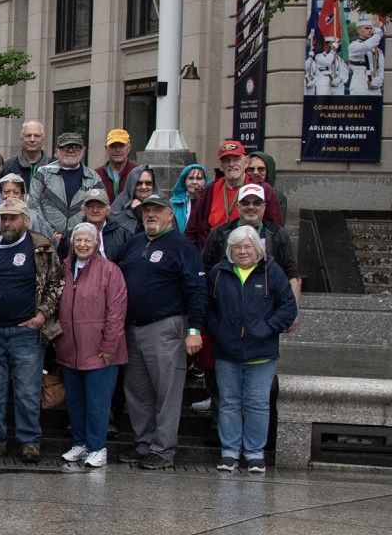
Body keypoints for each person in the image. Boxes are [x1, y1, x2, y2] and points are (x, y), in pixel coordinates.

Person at [115, 191, 206, 469]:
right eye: (146, 211)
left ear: (170, 215)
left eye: (157, 211)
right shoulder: (134, 243)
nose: (151, 215)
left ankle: (164, 450)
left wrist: (194, 330)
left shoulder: (182, 246)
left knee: (167, 392)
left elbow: (197, 289)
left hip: (166, 327)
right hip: (133, 329)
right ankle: (144, 445)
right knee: (137, 392)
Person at [0, 198, 62, 463]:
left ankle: (29, 441)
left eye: (13, 217)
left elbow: (56, 282)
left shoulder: (41, 246)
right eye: (4, 217)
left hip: (27, 332)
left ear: (25, 220)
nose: (8, 222)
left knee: (27, 390)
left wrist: (41, 316)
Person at [207, 226, 297, 474]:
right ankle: (229, 452)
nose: (242, 251)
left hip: (262, 353)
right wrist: (219, 330)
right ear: (230, 250)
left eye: (247, 246)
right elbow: (207, 308)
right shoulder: (218, 272)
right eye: (237, 247)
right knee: (229, 403)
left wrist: (266, 328)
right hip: (227, 352)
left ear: (257, 249)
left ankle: (255, 453)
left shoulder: (272, 271)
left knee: (257, 403)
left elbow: (288, 307)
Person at [55, 221, 129, 468]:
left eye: (88, 240)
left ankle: (98, 447)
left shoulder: (110, 271)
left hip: (100, 351)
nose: (82, 244)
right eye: (78, 240)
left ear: (96, 243)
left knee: (97, 403)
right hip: (70, 349)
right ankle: (80, 443)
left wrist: (109, 346)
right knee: (75, 402)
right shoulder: (64, 268)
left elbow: (116, 312)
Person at [201, 184, 300, 297]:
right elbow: (205, 270)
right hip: (226, 301)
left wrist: (293, 310)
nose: (251, 207)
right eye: (245, 203)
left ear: (264, 206)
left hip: (267, 304)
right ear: (238, 206)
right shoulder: (220, 233)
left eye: (256, 203)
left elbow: (291, 272)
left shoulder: (278, 234)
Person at [184, 140, 284, 247]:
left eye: (236, 159)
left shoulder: (263, 190)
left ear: (246, 162)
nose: (231, 164)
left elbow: (276, 230)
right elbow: (192, 230)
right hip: (214, 256)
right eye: (226, 160)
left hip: (248, 255)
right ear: (220, 165)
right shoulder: (209, 191)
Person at [33, 132, 99, 244]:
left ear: (83, 150)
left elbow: (99, 210)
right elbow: (33, 206)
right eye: (65, 147)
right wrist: (49, 233)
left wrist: (82, 234)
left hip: (80, 242)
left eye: (76, 147)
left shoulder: (93, 178)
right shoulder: (42, 174)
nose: (71, 150)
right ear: (56, 151)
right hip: (46, 240)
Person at [58, 188, 131, 260]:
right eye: (90, 206)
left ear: (108, 210)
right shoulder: (70, 235)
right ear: (83, 210)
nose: (95, 210)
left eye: (100, 206)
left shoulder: (123, 235)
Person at [96, 129, 145, 203]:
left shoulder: (140, 172)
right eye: (113, 146)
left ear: (129, 148)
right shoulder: (96, 175)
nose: (118, 150)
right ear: (106, 149)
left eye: (121, 146)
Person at [245, 151, 290, 221]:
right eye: (251, 169)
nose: (255, 172)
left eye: (261, 169)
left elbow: (278, 227)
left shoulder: (279, 197)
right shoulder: (239, 192)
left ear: (268, 172)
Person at [116, 167, 159, 234]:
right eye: (139, 183)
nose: (144, 187)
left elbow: (165, 234)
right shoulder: (119, 207)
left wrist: (140, 210)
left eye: (148, 183)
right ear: (131, 185)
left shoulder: (163, 206)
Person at [169, 163, 208, 233]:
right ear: (184, 181)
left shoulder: (210, 202)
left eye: (198, 179)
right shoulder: (173, 203)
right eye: (190, 178)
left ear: (205, 181)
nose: (194, 182)